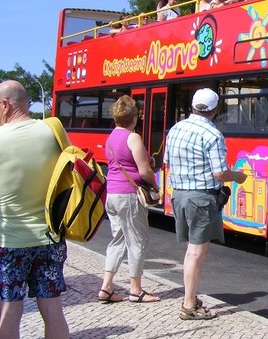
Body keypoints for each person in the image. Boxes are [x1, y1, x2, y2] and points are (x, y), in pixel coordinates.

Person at [0, 80, 70, 339]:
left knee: (10, 311)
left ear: (5, 105)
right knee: (53, 310)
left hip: (9, 243)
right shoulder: (52, 131)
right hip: (49, 238)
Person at [164, 88, 247, 320]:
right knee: (196, 253)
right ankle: (189, 305)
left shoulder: (175, 129)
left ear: (192, 106)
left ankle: (190, 297)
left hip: (179, 195)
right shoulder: (212, 135)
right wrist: (238, 177)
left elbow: (167, 162)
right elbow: (220, 173)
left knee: (191, 251)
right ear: (215, 110)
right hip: (201, 198)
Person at [98, 95, 161, 304]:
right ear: (134, 118)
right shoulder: (133, 137)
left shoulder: (111, 137)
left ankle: (106, 287)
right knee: (138, 240)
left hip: (113, 194)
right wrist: (155, 185)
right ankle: (136, 290)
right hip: (129, 196)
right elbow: (144, 172)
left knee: (118, 239)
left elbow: (123, 162)